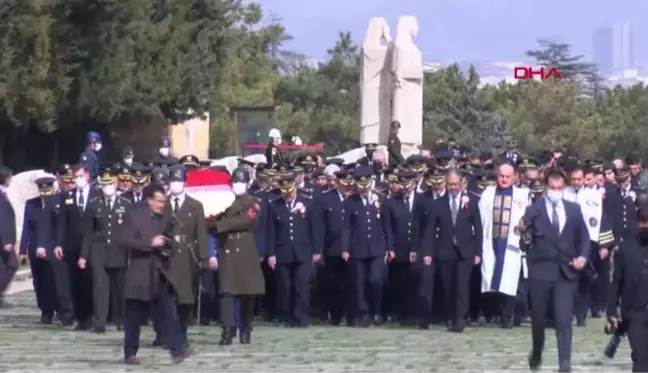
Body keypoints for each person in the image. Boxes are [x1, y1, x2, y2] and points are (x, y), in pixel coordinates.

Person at [520, 167, 590, 373]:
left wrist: (582, 258)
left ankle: (564, 363)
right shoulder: (535, 209)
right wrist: (523, 231)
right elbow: (524, 240)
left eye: (559, 188)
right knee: (539, 321)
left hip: (565, 273)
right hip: (540, 272)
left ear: (564, 187)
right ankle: (537, 351)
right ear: (546, 188)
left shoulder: (573, 209)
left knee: (563, 318)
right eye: (552, 188)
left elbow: (584, 237)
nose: (555, 191)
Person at [119, 183, 190, 364]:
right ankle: (130, 352)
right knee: (134, 315)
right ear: (149, 200)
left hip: (159, 271)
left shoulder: (166, 215)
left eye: (163, 201)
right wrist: (149, 243)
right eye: (158, 201)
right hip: (140, 272)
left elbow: (173, 237)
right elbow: (125, 240)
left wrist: (167, 246)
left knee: (167, 311)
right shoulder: (135, 215)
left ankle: (176, 348)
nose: (161, 205)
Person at [208, 166, 265, 345]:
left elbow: (246, 221)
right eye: (235, 181)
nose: (238, 185)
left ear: (247, 183)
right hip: (227, 248)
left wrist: (221, 225)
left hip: (245, 250)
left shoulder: (253, 202)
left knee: (247, 294)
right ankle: (226, 329)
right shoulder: (223, 201)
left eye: (241, 181)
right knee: (226, 293)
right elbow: (212, 219)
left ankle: (246, 328)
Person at [424, 168, 483, 332]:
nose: (453, 187)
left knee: (462, 286)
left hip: (466, 251)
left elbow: (478, 228)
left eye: (456, 184)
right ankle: (450, 316)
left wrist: (478, 252)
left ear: (461, 183)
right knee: (448, 286)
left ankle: (460, 319)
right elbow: (430, 230)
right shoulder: (437, 204)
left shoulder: (470, 202)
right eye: (450, 184)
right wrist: (428, 252)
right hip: (445, 250)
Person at [78, 168, 133, 333]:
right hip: (99, 251)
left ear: (116, 184)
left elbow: (130, 231)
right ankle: (99, 322)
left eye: (110, 184)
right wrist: (83, 255)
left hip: (119, 251)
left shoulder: (126, 205)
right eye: (104, 184)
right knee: (100, 288)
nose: (107, 187)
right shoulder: (94, 204)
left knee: (120, 288)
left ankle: (121, 319)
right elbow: (88, 232)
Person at [479, 162, 531, 328]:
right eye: (502, 176)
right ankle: (493, 313)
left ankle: (507, 316)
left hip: (511, 244)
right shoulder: (487, 194)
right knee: (491, 280)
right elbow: (480, 218)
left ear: (514, 177)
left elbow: (529, 217)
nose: (504, 179)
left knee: (509, 280)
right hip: (491, 242)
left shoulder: (523, 195)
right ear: (497, 176)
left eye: (508, 176)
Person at [342, 166, 392, 327]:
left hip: (377, 247)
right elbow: (346, 227)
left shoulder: (382, 199)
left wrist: (389, 247)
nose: (364, 188)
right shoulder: (350, 202)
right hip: (358, 247)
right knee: (359, 283)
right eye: (360, 185)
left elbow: (387, 226)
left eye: (366, 184)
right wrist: (345, 248)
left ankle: (376, 310)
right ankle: (363, 313)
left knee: (376, 280)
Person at [266, 168, 316, 327]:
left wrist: (316, 250)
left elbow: (314, 227)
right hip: (283, 251)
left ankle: (301, 317)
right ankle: (287, 317)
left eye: (290, 189)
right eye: (285, 190)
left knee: (302, 286)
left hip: (303, 250)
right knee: (285, 287)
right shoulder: (275, 205)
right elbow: (271, 231)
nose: (288, 194)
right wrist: (271, 253)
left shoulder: (307, 202)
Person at [166, 164, 210, 343]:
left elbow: (201, 233)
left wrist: (204, 258)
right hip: (167, 255)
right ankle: (167, 334)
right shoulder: (163, 203)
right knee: (168, 299)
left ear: (185, 182)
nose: (175, 183)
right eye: (173, 179)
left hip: (187, 256)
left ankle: (182, 331)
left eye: (178, 179)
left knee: (185, 298)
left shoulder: (195, 205)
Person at [20, 176, 73, 324]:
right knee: (39, 282)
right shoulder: (32, 204)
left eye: (47, 190)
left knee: (55, 282)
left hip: (52, 248)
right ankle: (45, 311)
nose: (45, 193)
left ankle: (61, 310)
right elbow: (27, 228)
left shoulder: (58, 202)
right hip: (35, 248)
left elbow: (59, 227)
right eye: (42, 190)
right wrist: (23, 249)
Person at [607, 189, 648, 373]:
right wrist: (611, 312)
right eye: (643, 224)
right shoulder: (626, 249)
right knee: (641, 357)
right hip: (635, 313)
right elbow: (617, 282)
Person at [56, 164, 95, 330]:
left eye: (80, 176)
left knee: (91, 281)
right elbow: (62, 222)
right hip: (72, 245)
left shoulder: (96, 194)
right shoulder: (67, 196)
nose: (77, 179)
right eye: (75, 177)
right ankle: (81, 317)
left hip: (92, 245)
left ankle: (92, 314)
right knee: (75, 282)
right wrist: (58, 243)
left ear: (87, 175)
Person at [0, 165, 17, 308]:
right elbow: (2, 218)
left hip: (4, 239)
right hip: (2, 241)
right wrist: (6, 240)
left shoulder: (3, 194)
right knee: (11, 264)